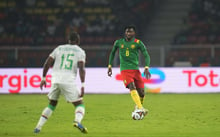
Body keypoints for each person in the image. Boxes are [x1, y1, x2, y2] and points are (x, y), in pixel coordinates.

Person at [34, 31, 88, 134]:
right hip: (68, 80)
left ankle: (38, 127)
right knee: (79, 104)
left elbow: (47, 63)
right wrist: (83, 85)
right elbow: (81, 68)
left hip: (55, 80)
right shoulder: (80, 51)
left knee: (52, 104)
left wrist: (44, 78)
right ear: (78, 41)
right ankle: (77, 121)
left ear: (68, 40)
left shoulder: (59, 48)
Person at [107, 25, 151, 115]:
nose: (128, 33)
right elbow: (112, 53)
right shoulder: (119, 42)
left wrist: (146, 67)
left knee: (142, 93)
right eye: (127, 32)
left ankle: (138, 108)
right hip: (125, 70)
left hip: (135, 70)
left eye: (130, 32)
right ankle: (140, 108)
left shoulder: (138, 43)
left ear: (134, 33)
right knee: (131, 86)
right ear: (125, 33)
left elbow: (146, 55)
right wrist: (110, 65)